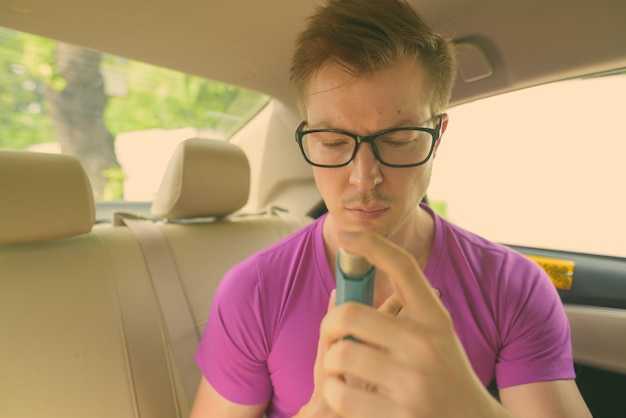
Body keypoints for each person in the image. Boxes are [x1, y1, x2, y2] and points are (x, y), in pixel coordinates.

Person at [190, 1, 592, 417]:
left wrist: (468, 407)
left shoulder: (511, 286)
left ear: (438, 135)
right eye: (332, 142)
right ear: (308, 138)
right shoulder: (255, 292)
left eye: (399, 140)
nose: (364, 177)